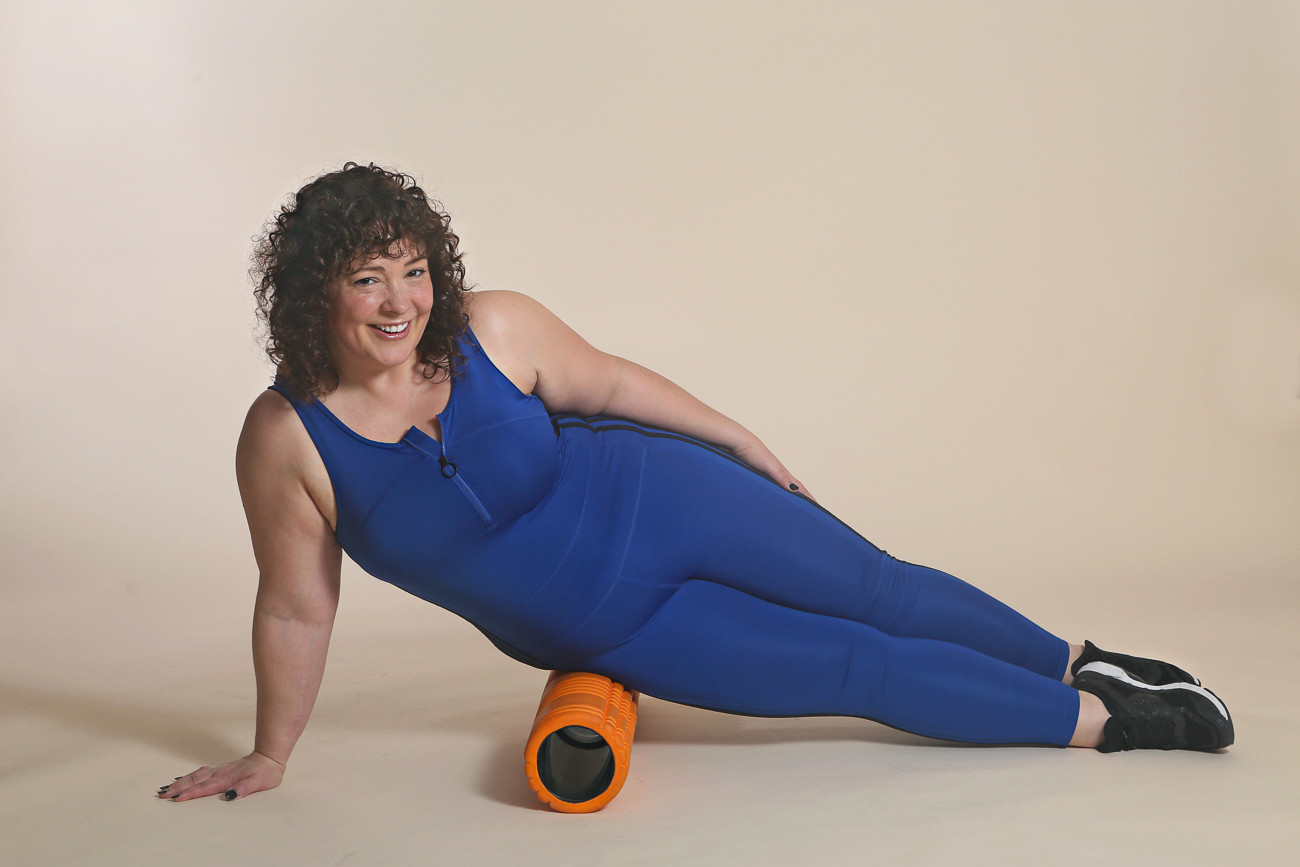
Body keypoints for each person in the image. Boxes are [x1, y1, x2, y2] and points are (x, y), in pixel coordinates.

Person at [158, 163, 1233, 804]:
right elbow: (298, 607)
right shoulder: (287, 439)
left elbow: (613, 383)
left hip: (666, 497)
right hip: (614, 626)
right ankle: (1104, 724)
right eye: (365, 278)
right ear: (316, 295)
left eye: (412, 268)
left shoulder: (492, 326)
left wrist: (745, 444)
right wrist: (270, 751)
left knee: (882, 591)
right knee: (855, 670)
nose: (399, 300)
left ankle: (1084, 659)